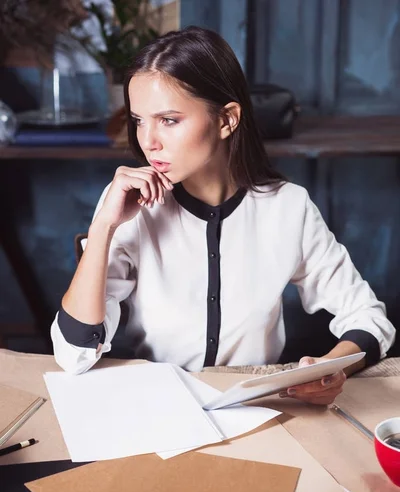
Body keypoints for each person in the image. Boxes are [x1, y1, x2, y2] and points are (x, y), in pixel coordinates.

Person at [51, 26, 395, 404]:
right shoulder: (130, 209)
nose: (148, 141)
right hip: (155, 406)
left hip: (258, 410)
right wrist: (103, 227)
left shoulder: (288, 209)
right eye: (138, 120)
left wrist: (332, 367)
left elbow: (369, 319)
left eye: (168, 120)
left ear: (227, 119)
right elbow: (75, 354)